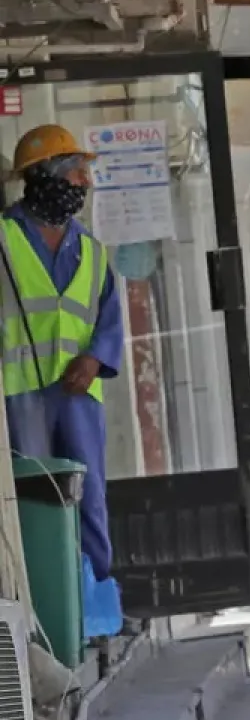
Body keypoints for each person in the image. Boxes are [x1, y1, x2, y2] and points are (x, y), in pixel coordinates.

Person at [1, 125, 123, 593]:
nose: (84, 184)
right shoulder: (3, 239)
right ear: (44, 176)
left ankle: (93, 593)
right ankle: (39, 598)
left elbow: (109, 320)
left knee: (89, 496)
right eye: (76, 173)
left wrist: (94, 359)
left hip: (78, 394)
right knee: (31, 495)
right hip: (18, 393)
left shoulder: (91, 250)